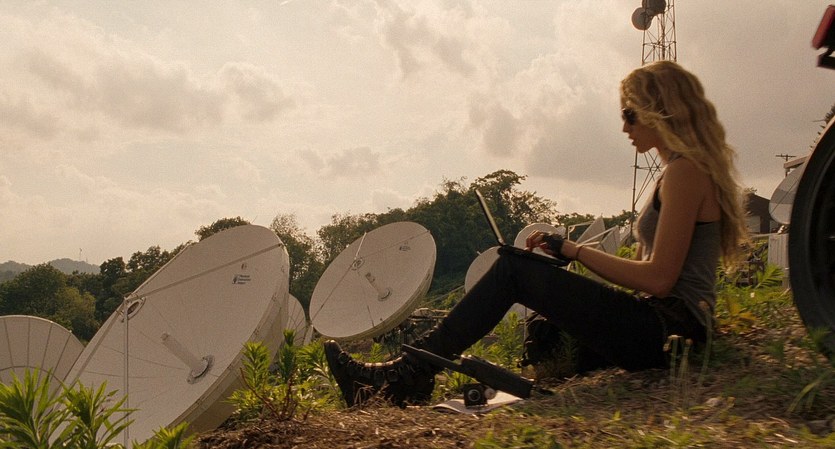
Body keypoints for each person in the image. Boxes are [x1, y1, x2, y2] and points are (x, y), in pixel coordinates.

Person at [324, 60, 749, 408]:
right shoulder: (676, 173)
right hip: (659, 324)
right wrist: (564, 267)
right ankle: (412, 372)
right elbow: (646, 278)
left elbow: (659, 279)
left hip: (670, 331)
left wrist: (576, 251)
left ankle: (407, 374)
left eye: (629, 114)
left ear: (660, 111)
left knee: (513, 270)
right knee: (546, 334)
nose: (624, 127)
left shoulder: (685, 173)